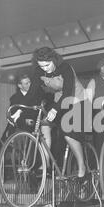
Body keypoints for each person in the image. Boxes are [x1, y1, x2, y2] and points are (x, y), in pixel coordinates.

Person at [32, 47, 89, 182]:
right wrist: (20, 110)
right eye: (41, 66)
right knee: (44, 125)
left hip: (78, 101)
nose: (44, 69)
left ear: (53, 60)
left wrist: (55, 110)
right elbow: (32, 94)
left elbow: (68, 93)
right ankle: (45, 163)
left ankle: (83, 168)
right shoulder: (39, 71)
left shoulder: (65, 67)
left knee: (68, 134)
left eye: (47, 65)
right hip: (60, 103)